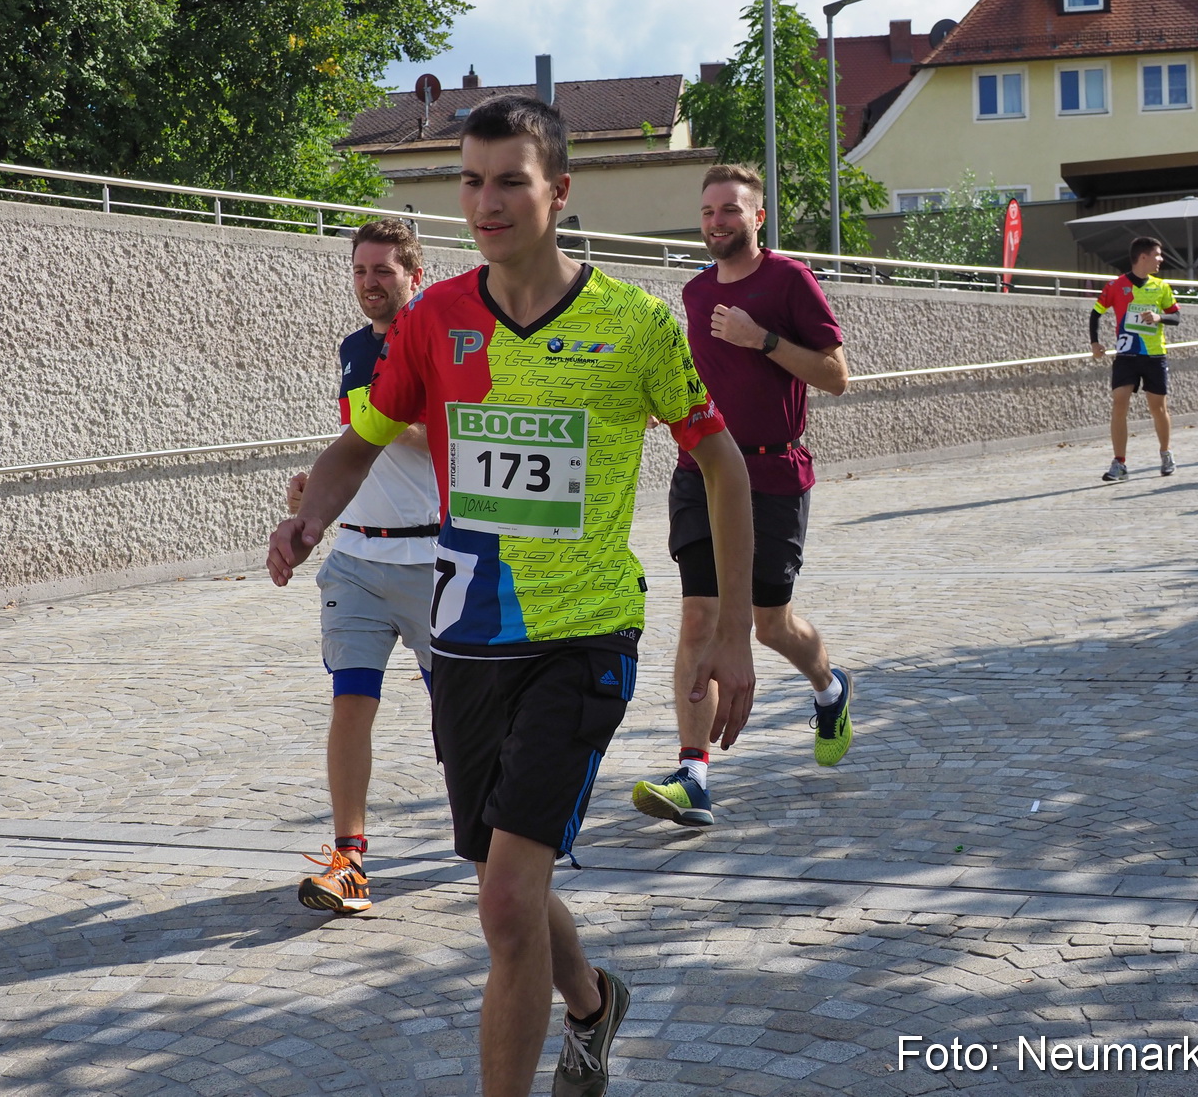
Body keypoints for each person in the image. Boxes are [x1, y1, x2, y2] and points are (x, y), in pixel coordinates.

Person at [267, 94, 756, 1097]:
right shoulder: (435, 320)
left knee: (499, 906)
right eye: (470, 180)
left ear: (559, 192)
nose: (484, 202)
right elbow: (359, 444)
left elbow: (724, 466)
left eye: (509, 182)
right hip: (469, 634)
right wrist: (308, 519)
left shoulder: (633, 324)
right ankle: (589, 1003)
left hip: (584, 637)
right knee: (506, 882)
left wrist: (734, 633)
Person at [630, 163, 853, 831]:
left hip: (773, 476)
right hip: (701, 471)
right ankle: (692, 772)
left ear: (758, 217)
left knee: (767, 624)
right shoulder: (694, 293)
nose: (717, 221)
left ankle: (831, 687)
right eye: (708, 211)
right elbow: (693, 374)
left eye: (731, 209)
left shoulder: (789, 281)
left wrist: (765, 340)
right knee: (699, 616)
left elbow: (837, 376)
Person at [290, 218, 438, 916]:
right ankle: (349, 857)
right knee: (351, 702)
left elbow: (441, 438)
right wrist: (314, 487)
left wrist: (385, 419)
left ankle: (500, 840)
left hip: (434, 558)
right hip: (356, 557)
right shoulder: (353, 349)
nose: (371, 282)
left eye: (384, 270)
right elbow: (357, 444)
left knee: (462, 718)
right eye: (360, 271)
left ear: (415, 274)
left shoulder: (441, 345)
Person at [1090, 237, 1181, 481]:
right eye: (1158, 255)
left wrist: (1159, 318)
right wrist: (1095, 342)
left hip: (1154, 355)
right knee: (1119, 402)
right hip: (1127, 354)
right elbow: (1095, 313)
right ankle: (1119, 463)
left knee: (1157, 407)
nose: (1161, 259)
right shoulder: (1115, 286)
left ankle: (1165, 453)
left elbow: (1177, 317)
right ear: (1144, 257)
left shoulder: (1161, 286)